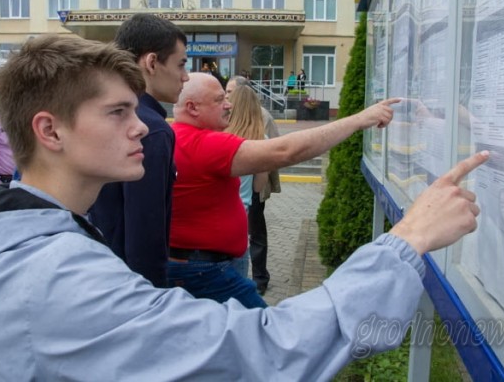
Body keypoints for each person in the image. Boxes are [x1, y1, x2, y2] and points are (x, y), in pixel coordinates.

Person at [0, 33, 490, 381]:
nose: (142, 131)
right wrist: (406, 241)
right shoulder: (57, 277)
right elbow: (264, 353)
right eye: (118, 113)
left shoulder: (20, 239)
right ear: (49, 130)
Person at [168, 73, 400, 308]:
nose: (228, 105)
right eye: (219, 100)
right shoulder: (203, 143)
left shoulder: (177, 136)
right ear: (192, 107)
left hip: (201, 263)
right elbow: (286, 151)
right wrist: (359, 120)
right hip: (208, 271)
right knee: (264, 334)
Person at [89, 13, 189, 288]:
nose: (186, 76)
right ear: (152, 62)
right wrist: (152, 296)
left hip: (99, 271)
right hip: (131, 285)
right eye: (180, 64)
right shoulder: (151, 129)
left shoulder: (101, 112)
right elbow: (145, 227)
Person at [226, 75, 281, 294]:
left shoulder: (219, 133)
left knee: (255, 234)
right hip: (245, 202)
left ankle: (258, 280)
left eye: (230, 92)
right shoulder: (261, 136)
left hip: (229, 206)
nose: (226, 96)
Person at [224, 85, 269, 279]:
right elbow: (259, 186)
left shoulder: (220, 134)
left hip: (217, 211)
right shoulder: (261, 139)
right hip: (242, 213)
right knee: (238, 276)